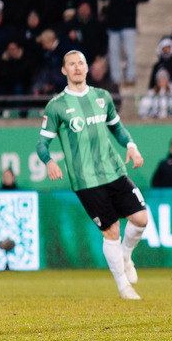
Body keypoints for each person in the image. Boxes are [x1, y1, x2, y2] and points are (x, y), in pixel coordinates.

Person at [36, 51, 148, 300]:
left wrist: (131, 146)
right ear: (64, 70)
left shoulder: (102, 97)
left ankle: (126, 255)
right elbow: (42, 143)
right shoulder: (56, 106)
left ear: (87, 68)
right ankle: (124, 287)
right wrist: (49, 161)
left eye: (81, 63)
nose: (77, 68)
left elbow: (117, 128)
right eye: (71, 64)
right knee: (111, 231)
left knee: (141, 218)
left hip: (114, 170)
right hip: (86, 180)